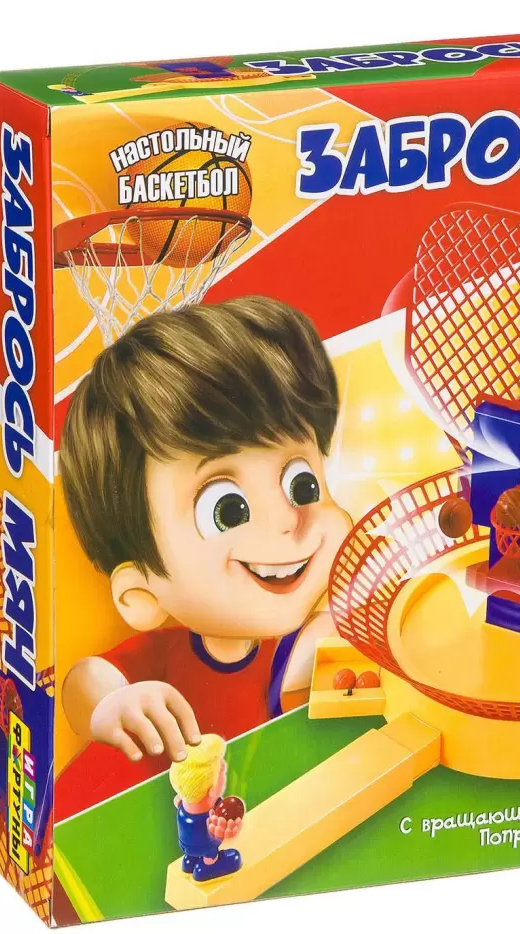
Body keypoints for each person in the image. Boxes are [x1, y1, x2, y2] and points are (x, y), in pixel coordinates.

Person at [56, 296, 351, 817]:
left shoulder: (308, 642)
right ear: (140, 595)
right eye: (228, 509)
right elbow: (86, 681)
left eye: (301, 483)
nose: (288, 519)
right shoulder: (165, 660)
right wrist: (111, 706)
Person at [169, 734, 243, 883]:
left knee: (193, 848)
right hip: (205, 840)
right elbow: (216, 789)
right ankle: (209, 865)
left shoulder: (183, 803)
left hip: (186, 842)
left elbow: (176, 800)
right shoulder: (210, 798)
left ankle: (190, 860)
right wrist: (221, 771)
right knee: (209, 849)